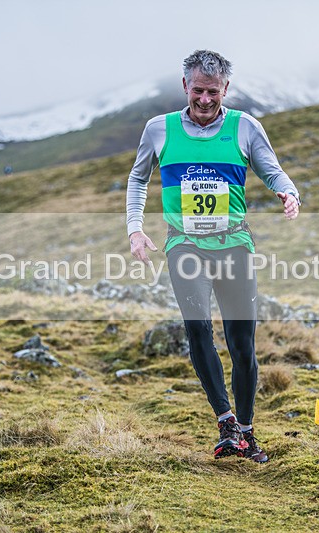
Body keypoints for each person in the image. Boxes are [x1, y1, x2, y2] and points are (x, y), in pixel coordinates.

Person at [126, 50, 301, 463]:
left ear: (227, 89)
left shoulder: (245, 127)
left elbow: (271, 169)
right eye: (198, 91)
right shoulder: (159, 129)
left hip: (234, 244)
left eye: (214, 92)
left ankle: (247, 431)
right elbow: (138, 178)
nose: (205, 100)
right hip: (184, 244)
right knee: (199, 329)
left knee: (243, 345)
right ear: (185, 85)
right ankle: (226, 423)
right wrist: (135, 228)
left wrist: (288, 191)